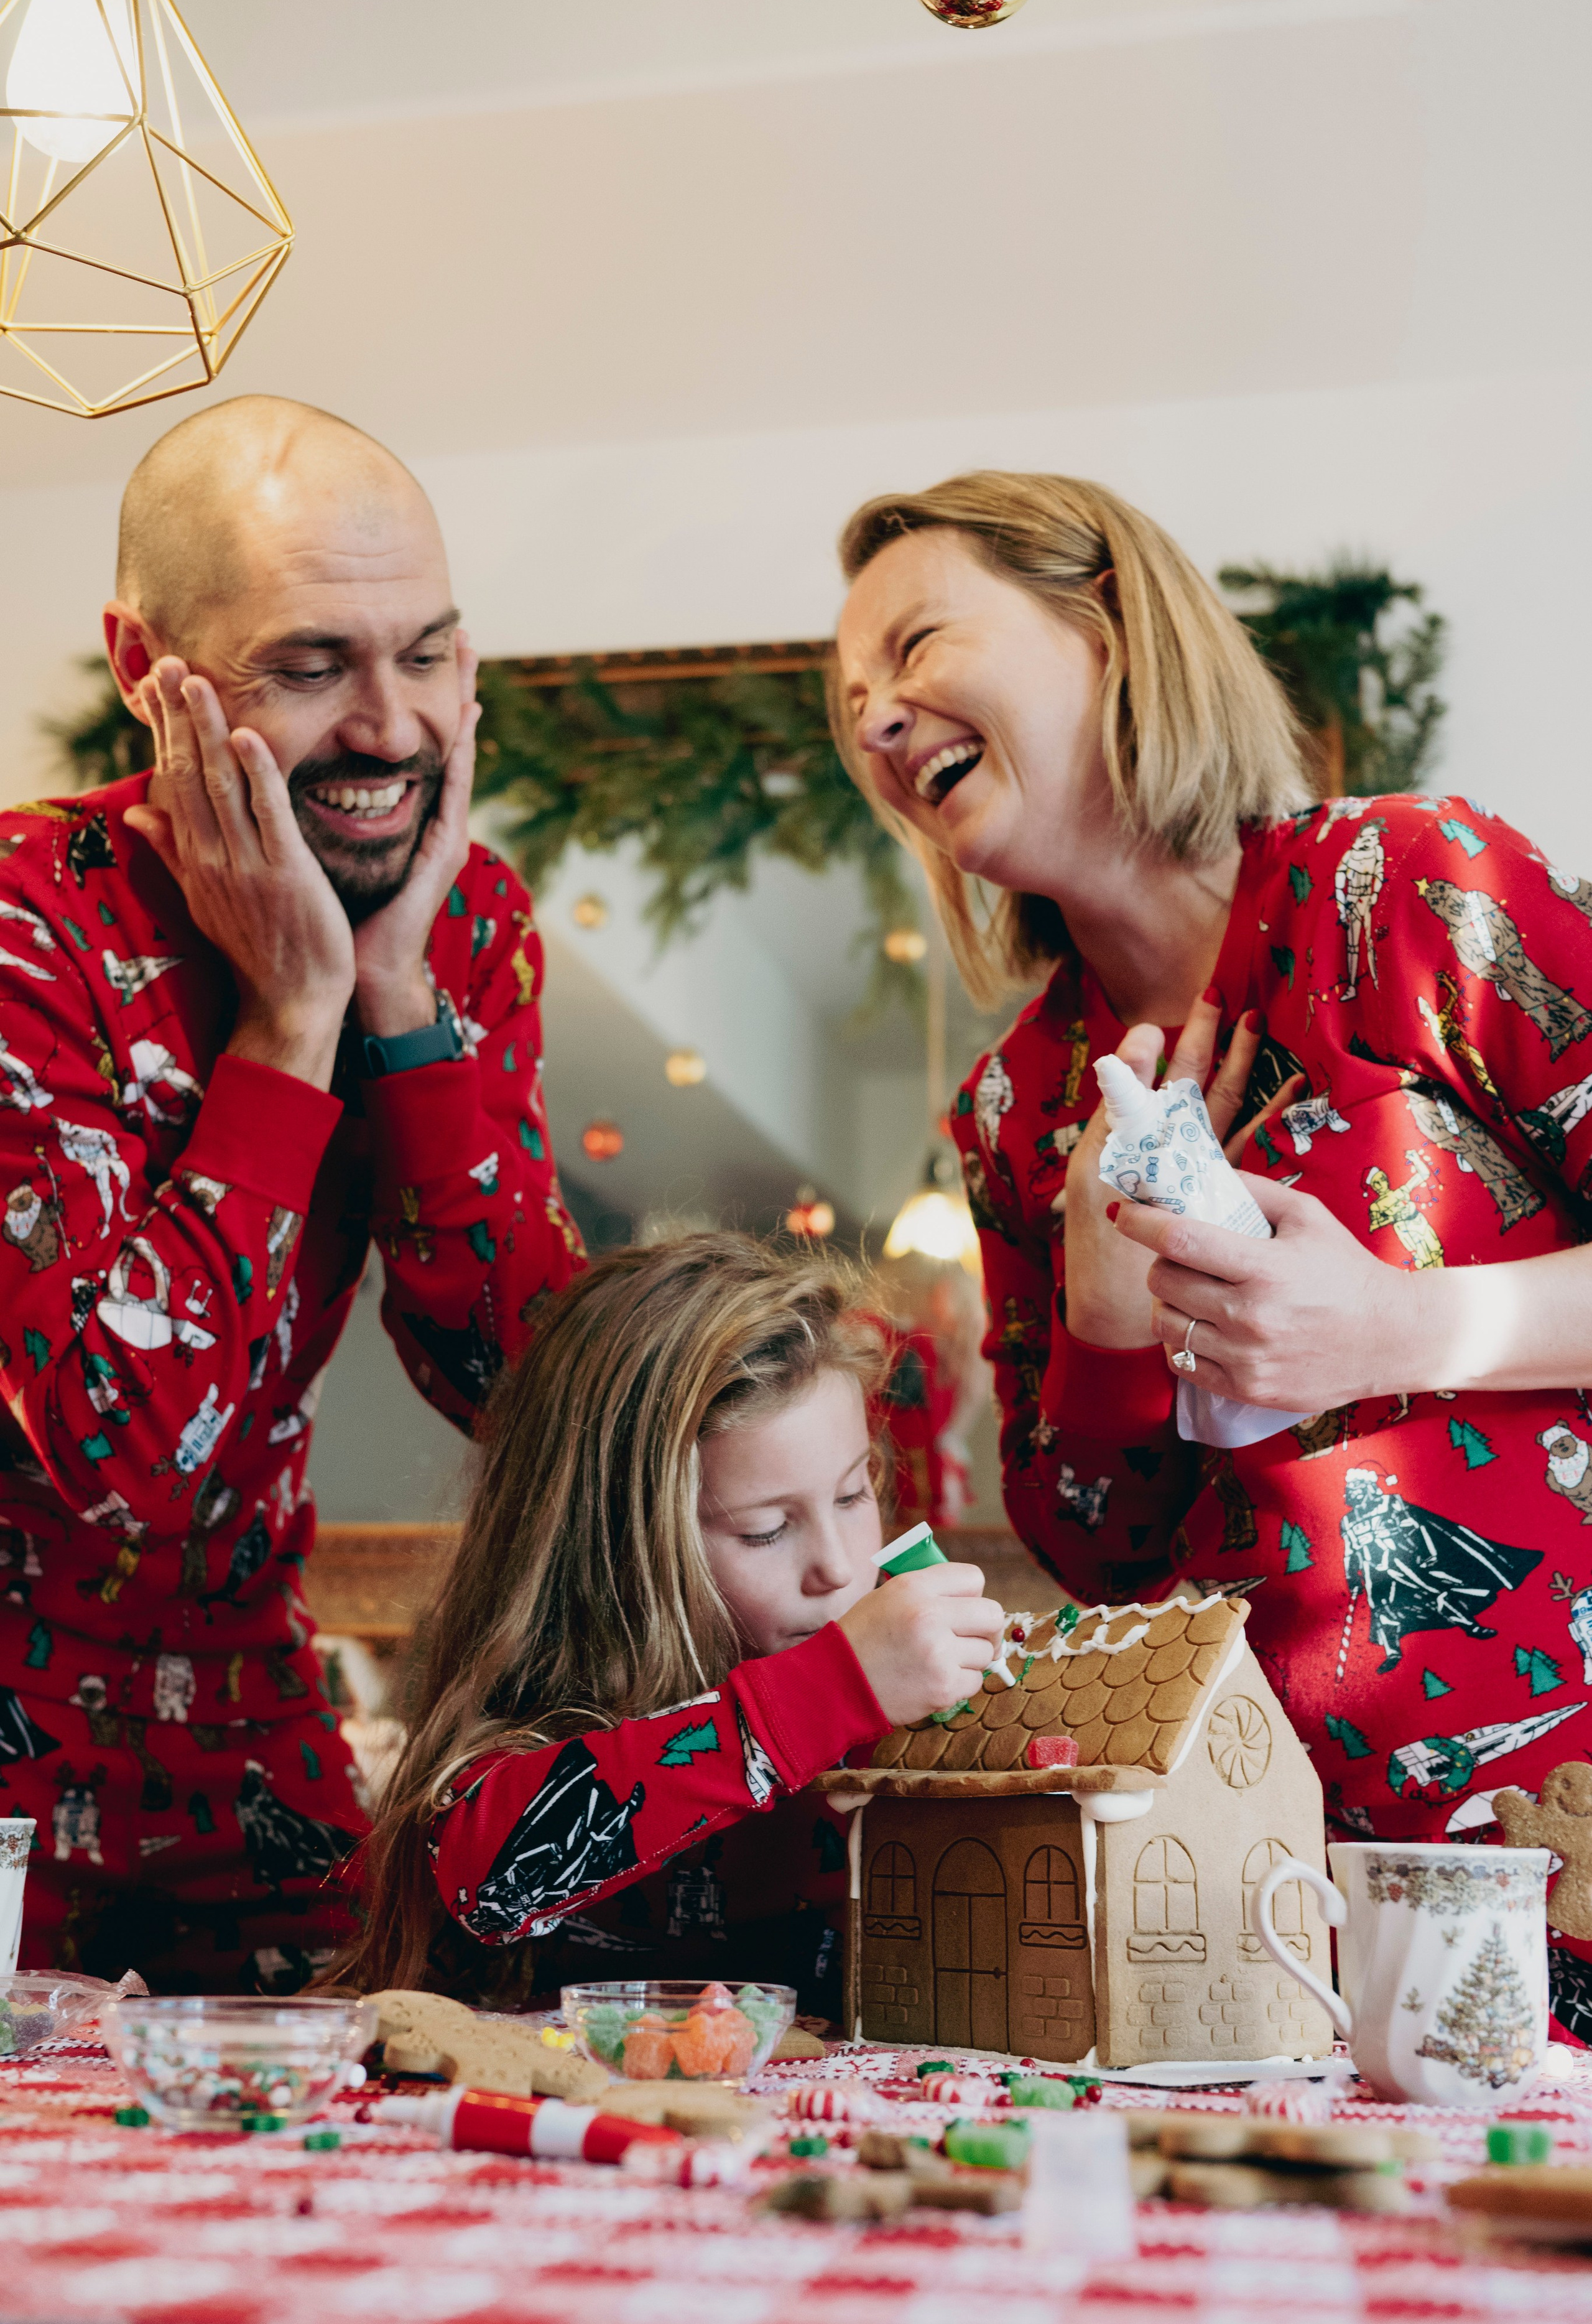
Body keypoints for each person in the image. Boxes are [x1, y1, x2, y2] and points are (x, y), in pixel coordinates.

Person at [833, 469, 1592, 2043]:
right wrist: (1103, 1323)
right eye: (851, 709)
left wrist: (1397, 1328)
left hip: (1560, 1864)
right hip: (1263, 1931)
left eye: (914, 647)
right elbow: (1106, 1565)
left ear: (1105, 623)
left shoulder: (1408, 889)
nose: (879, 722)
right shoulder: (1012, 1110)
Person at [0, 395, 583, 1991]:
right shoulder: (25, 925)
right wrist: (292, 1019)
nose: (391, 728)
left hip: (256, 1745)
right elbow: (121, 1452)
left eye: (428, 654)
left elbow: (529, 1394)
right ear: (146, 667)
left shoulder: (468, 928)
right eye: (312, 666)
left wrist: (395, 998)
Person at [345, 1235, 1002, 2009]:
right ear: (617, 1549)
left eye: (853, 1494)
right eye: (764, 1530)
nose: (837, 1566)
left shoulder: (903, 1705)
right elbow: (485, 1879)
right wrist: (831, 1691)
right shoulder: (558, 1719)